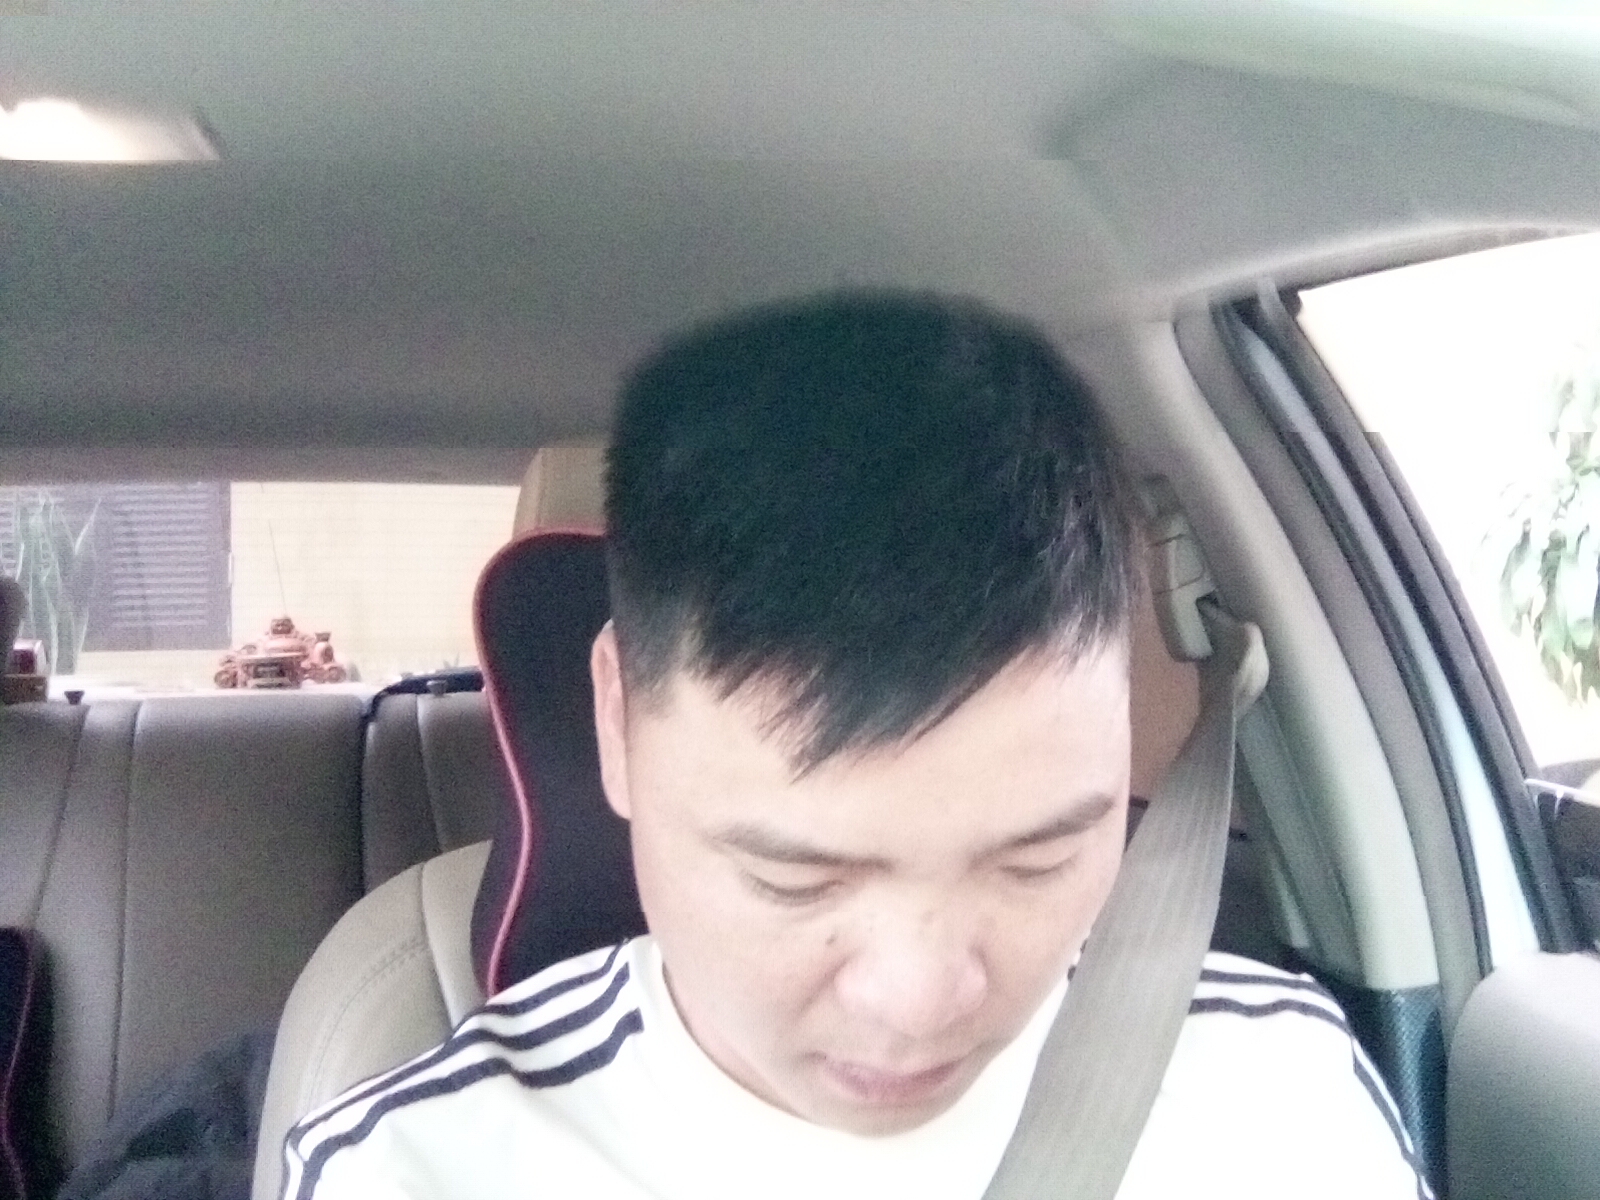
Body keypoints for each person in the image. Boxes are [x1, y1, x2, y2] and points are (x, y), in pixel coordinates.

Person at [282, 292, 1431, 1199]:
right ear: (617, 721)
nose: (920, 1001)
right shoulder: (412, 1171)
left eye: (1037, 860)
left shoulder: (1278, 1098)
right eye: (795, 879)